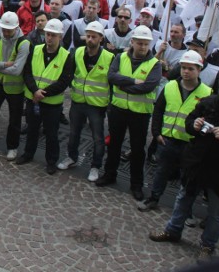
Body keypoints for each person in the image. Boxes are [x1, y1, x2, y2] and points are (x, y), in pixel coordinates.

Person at [149, 72, 219, 260]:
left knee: (216, 211)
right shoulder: (208, 103)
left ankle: (208, 246)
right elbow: (188, 123)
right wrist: (194, 124)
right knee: (183, 199)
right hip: (196, 164)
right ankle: (173, 230)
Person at [138, 51, 212, 212]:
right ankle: (154, 198)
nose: (185, 71)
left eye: (190, 69)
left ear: (199, 70)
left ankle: (186, 209)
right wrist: (156, 133)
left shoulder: (207, 93)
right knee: (161, 172)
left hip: (189, 143)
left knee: (188, 178)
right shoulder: (170, 86)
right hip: (167, 139)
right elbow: (158, 110)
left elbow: (208, 120)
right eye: (183, 68)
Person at [96, 26, 162, 200]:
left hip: (139, 114)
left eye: (146, 44)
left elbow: (148, 86)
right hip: (118, 109)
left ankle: (136, 184)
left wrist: (123, 85)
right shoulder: (120, 57)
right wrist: (133, 81)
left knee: (138, 150)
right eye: (139, 43)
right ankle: (110, 174)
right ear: (132, 42)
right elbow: (111, 77)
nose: (142, 47)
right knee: (114, 144)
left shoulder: (155, 64)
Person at [58, 22, 115, 182]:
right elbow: (70, 73)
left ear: (101, 38)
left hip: (97, 104)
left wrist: (110, 104)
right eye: (88, 36)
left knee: (97, 137)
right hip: (78, 100)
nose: (90, 39)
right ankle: (71, 157)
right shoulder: (77, 52)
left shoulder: (109, 57)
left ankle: (95, 166)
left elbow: (112, 83)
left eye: (93, 36)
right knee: (74, 132)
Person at [18, 18, 75, 172]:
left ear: (60, 37)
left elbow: (64, 81)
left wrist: (43, 93)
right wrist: (34, 90)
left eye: (53, 35)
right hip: (33, 99)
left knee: (52, 134)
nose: (49, 38)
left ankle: (51, 161)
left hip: (52, 104)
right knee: (32, 129)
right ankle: (28, 154)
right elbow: (27, 72)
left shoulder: (66, 56)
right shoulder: (35, 50)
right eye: (48, 34)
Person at [0, 12, 31, 161]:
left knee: (14, 120)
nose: (5, 32)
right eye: (4, 29)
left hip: (15, 89)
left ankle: (12, 147)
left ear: (16, 28)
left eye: (8, 30)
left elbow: (17, 70)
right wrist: (4, 64)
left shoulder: (24, 43)